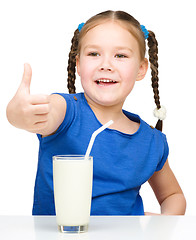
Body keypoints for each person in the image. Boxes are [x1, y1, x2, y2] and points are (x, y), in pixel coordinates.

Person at [6, 10, 186, 215]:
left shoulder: (152, 141)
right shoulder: (66, 111)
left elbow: (173, 196)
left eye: (120, 55)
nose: (106, 65)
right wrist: (19, 114)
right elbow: (44, 114)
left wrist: (162, 223)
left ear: (141, 69)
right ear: (79, 64)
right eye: (94, 54)